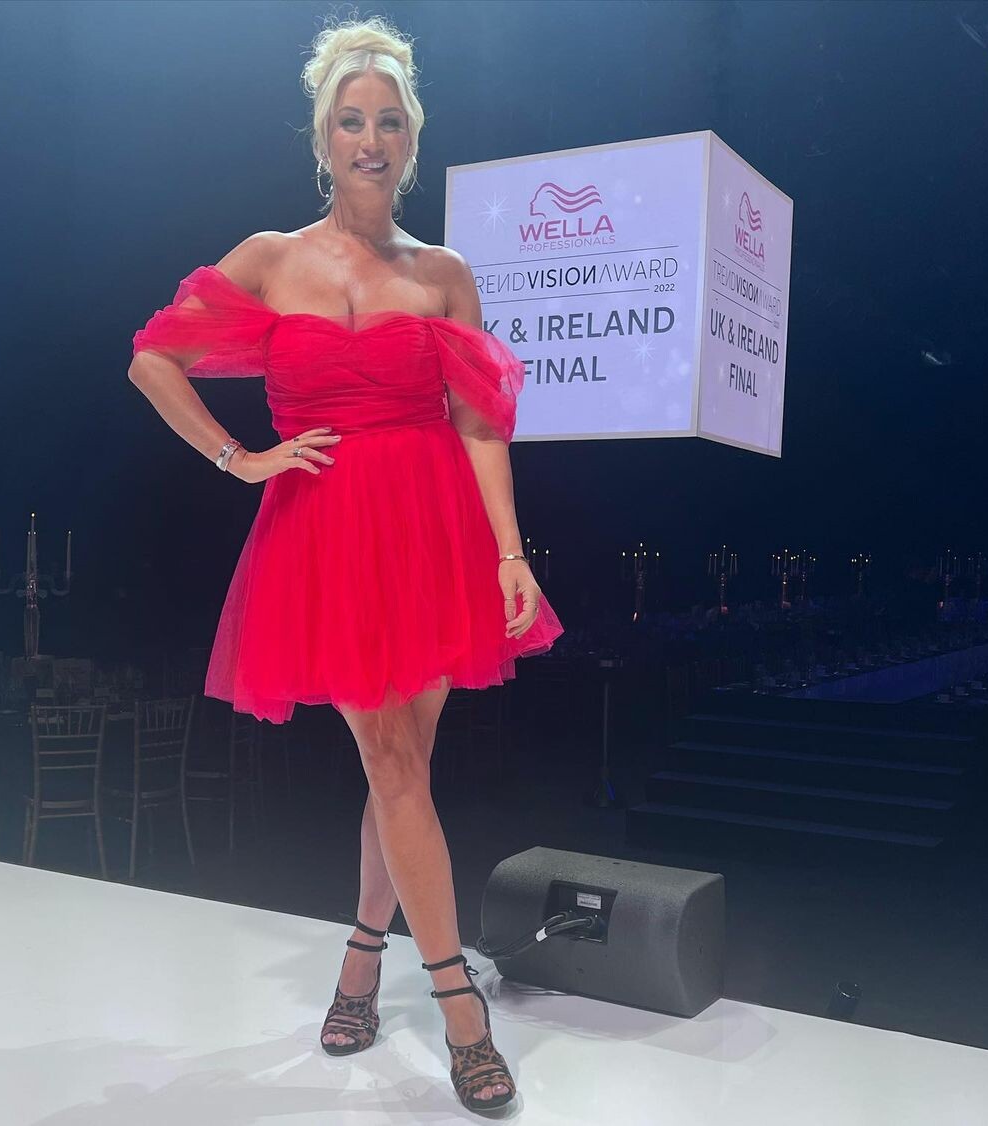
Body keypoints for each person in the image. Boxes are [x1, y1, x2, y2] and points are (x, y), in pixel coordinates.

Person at [128, 14, 564, 1115]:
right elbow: (154, 360)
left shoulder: (446, 273)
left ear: (413, 138)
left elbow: (479, 423)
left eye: (389, 121)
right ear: (323, 138)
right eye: (351, 121)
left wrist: (511, 553)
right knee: (394, 760)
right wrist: (239, 458)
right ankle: (459, 1005)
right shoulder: (271, 259)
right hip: (325, 535)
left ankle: (362, 958)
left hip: (431, 533)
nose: (371, 139)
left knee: (400, 768)